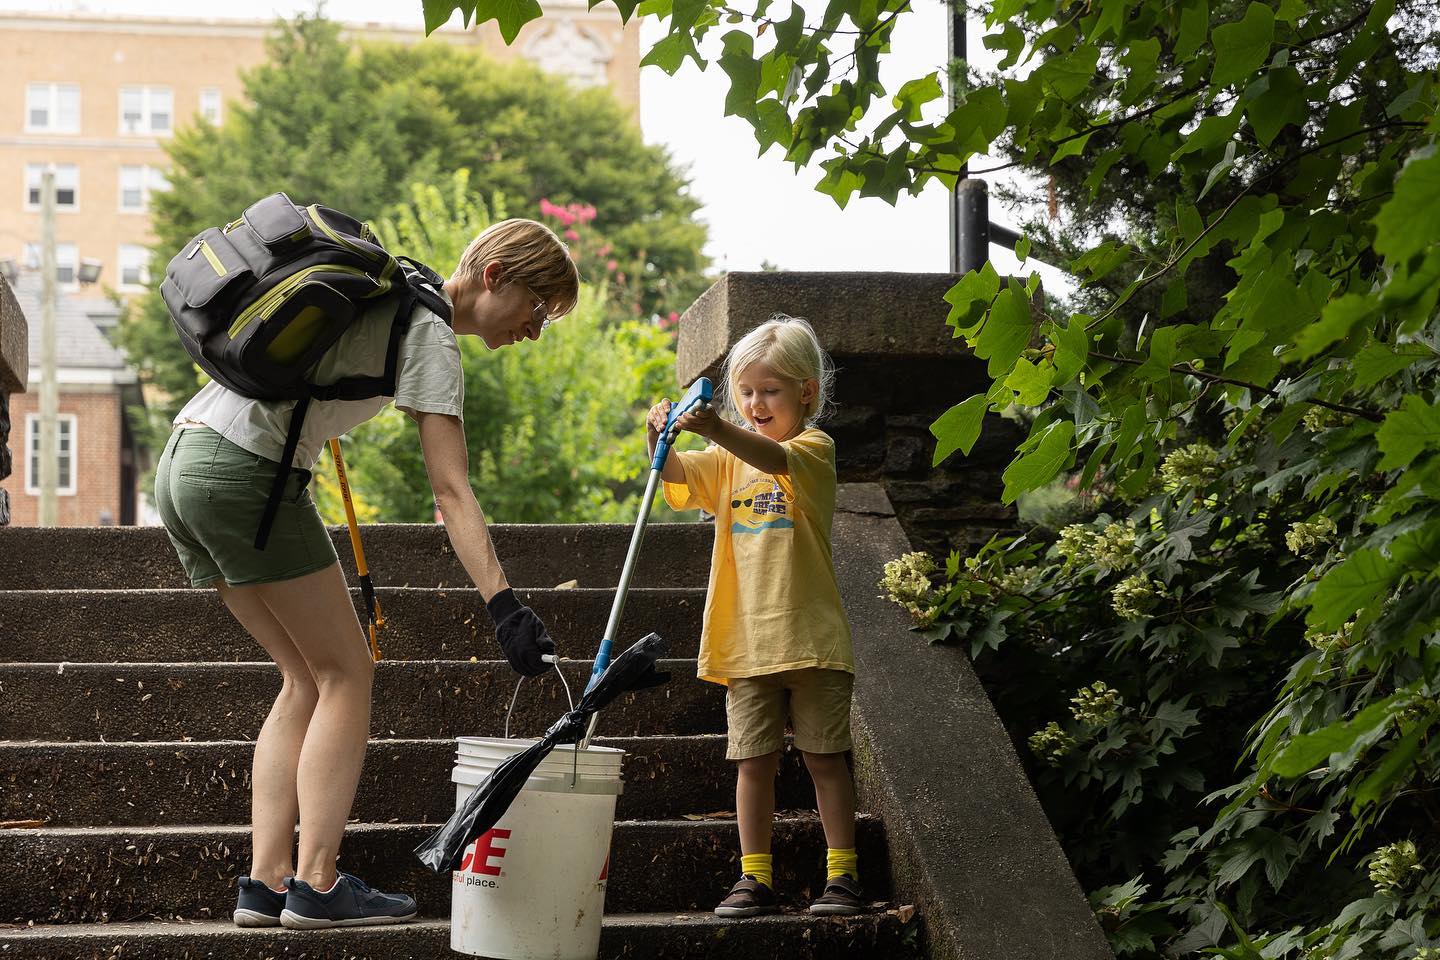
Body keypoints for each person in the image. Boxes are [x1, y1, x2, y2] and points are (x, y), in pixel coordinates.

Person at [153, 218, 579, 930]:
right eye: (538, 310)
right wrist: (503, 603)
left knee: (303, 677)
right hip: (241, 473)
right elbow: (451, 492)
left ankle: (265, 883)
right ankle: (317, 885)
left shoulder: (394, 289)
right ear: (497, 275)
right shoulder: (432, 331)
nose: (536, 331)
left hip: (184, 463)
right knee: (347, 673)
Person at [645, 315, 862, 918]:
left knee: (824, 757)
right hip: (745, 640)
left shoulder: (813, 450)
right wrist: (659, 440)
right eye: (745, 390)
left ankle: (842, 875)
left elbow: (771, 457)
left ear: (806, 393)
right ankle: (754, 877)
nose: (755, 403)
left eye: (769, 390)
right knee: (752, 760)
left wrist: (717, 424)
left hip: (810, 637)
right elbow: (682, 477)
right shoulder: (725, 456)